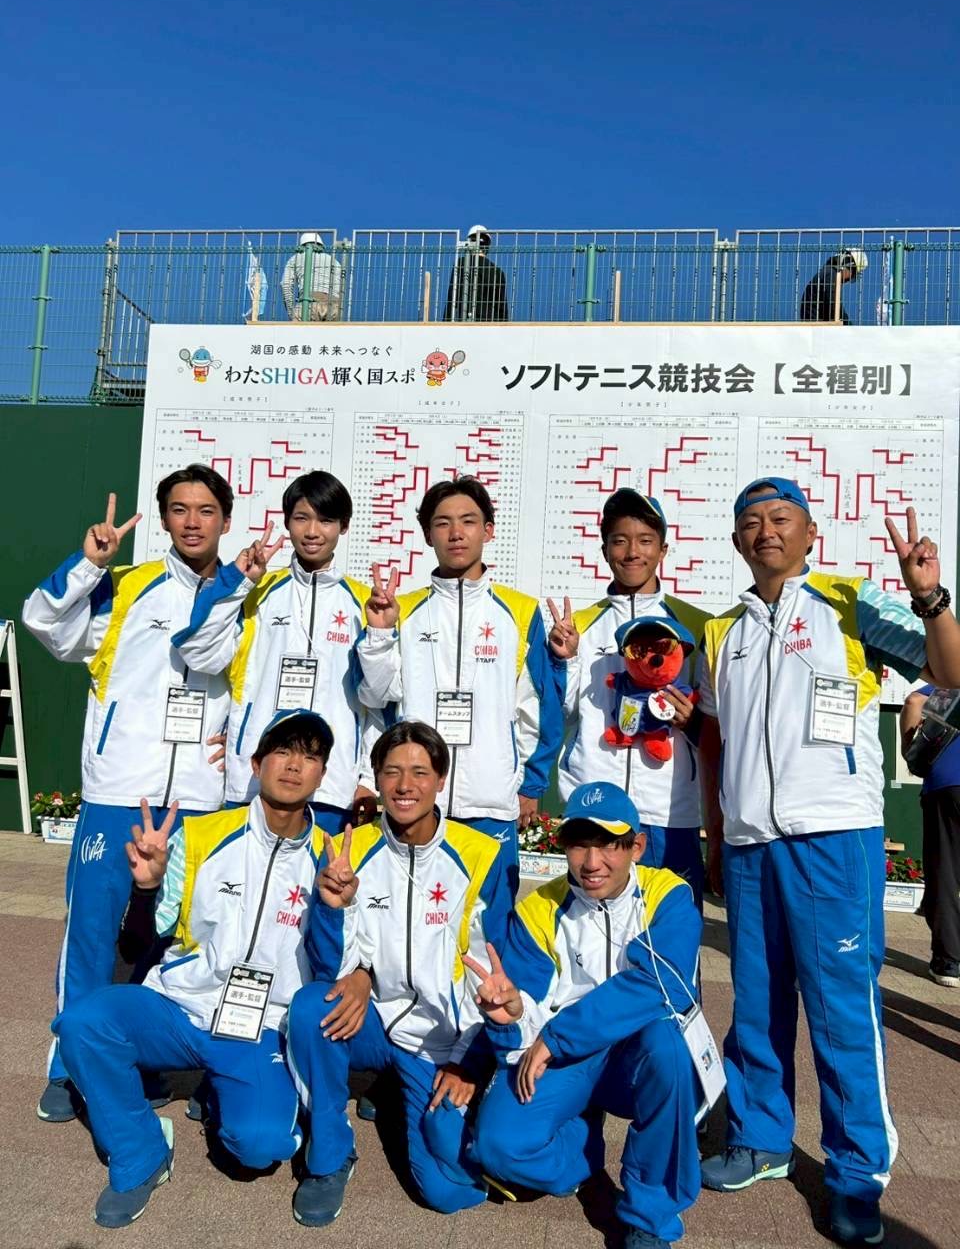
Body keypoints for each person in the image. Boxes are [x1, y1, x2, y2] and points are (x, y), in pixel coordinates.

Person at [697, 477, 960, 1246]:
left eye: (781, 518)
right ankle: (761, 1140)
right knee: (757, 1005)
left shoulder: (850, 604)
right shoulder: (722, 632)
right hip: (750, 844)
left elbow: (949, 674)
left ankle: (855, 1175)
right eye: (751, 521)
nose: (766, 531)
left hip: (834, 839)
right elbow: (718, 739)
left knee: (842, 1012)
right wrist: (718, 831)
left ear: (810, 533)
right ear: (737, 541)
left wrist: (931, 597)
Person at [54, 708, 371, 1228]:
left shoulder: (332, 856)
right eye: (282, 751)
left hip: (262, 1026)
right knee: (82, 1023)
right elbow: (140, 941)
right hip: (183, 1005)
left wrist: (334, 909)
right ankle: (141, 1151)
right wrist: (147, 887)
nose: (294, 765)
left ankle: (245, 1093)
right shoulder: (203, 834)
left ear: (323, 773)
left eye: (310, 756)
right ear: (257, 763)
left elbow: (333, 967)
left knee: (259, 1146)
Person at [22, 464, 236, 1124]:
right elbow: (43, 623)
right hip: (118, 791)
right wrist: (89, 566)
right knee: (93, 933)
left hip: (199, 800)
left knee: (179, 942)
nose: (193, 521)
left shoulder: (245, 596)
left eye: (206, 509)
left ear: (226, 520)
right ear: (164, 518)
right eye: (180, 509)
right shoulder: (125, 587)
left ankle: (158, 1062)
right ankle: (69, 1066)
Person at [286, 720, 511, 1225]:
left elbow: (495, 974)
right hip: (375, 1019)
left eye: (419, 772)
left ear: (441, 780)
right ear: (376, 779)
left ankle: (418, 1098)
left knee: (446, 1191)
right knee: (311, 1008)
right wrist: (335, 917)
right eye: (391, 772)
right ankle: (329, 1155)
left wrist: (471, 1062)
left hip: (443, 1043)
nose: (405, 786)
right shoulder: (350, 849)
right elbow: (328, 965)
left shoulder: (482, 856)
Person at [468, 781, 705, 1249]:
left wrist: (559, 1035)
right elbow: (526, 1008)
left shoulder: (669, 895)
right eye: (580, 844)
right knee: (498, 1148)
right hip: (571, 1057)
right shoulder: (539, 907)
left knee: (667, 1047)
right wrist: (510, 1016)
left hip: (636, 1053)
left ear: (637, 846)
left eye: (609, 844)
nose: (592, 862)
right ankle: (583, 1153)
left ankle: (649, 1216)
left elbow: (660, 985)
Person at [357, 475, 563, 890]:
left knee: (488, 918)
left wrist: (530, 783)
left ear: (488, 530)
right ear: (427, 534)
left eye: (468, 521)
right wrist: (379, 634)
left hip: (490, 801)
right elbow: (377, 697)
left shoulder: (521, 612)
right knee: (412, 914)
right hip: (414, 798)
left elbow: (539, 708)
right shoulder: (403, 610)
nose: (456, 533)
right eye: (443, 522)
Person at [172, 470, 378, 833]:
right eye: (301, 518)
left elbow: (377, 701)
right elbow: (200, 654)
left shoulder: (365, 604)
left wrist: (368, 779)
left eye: (325, 520)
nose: (312, 531)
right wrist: (238, 583)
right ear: (287, 522)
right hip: (255, 782)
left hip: (334, 788)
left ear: (344, 526)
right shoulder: (256, 592)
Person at [547, 489, 711, 904]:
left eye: (645, 541)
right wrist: (566, 660)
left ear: (663, 549)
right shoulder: (581, 626)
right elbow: (564, 711)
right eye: (620, 541)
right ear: (605, 550)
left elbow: (716, 724)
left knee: (670, 928)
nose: (632, 552)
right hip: (596, 806)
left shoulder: (698, 626)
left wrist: (691, 721)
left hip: (669, 811)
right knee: (592, 931)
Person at [900, 685, 960, 986]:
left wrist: (909, 748)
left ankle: (949, 963)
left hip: (949, 781)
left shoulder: (954, 672)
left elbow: (914, 700)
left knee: (944, 871)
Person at [443, 225, 509, 322]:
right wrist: (503, 326)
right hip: (489, 323)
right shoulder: (497, 272)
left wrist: (446, 322)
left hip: (464, 318)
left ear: (469, 242)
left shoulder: (460, 264)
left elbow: (452, 298)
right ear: (487, 245)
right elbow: (501, 306)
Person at [281, 232, 343, 321]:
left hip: (308, 302)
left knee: (297, 329)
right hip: (333, 304)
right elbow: (340, 287)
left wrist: (291, 312)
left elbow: (286, 285)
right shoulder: (334, 261)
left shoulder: (295, 258)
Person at [799, 248, 867, 324]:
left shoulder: (828, 272)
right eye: (853, 273)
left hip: (815, 322)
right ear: (849, 266)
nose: (850, 278)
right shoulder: (831, 275)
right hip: (816, 325)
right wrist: (847, 324)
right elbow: (834, 304)